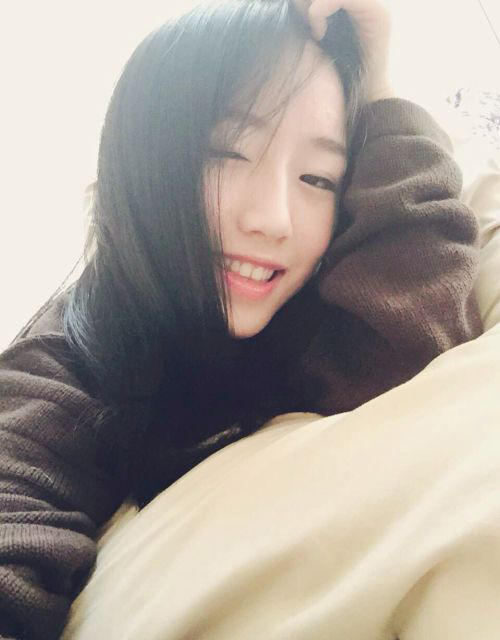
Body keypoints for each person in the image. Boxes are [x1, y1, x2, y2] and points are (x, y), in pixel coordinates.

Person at [0, 0, 483, 637]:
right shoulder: (73, 347)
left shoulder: (323, 307)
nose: (273, 219)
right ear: (141, 161)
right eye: (226, 153)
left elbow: (411, 332)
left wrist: (381, 85)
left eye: (317, 178)